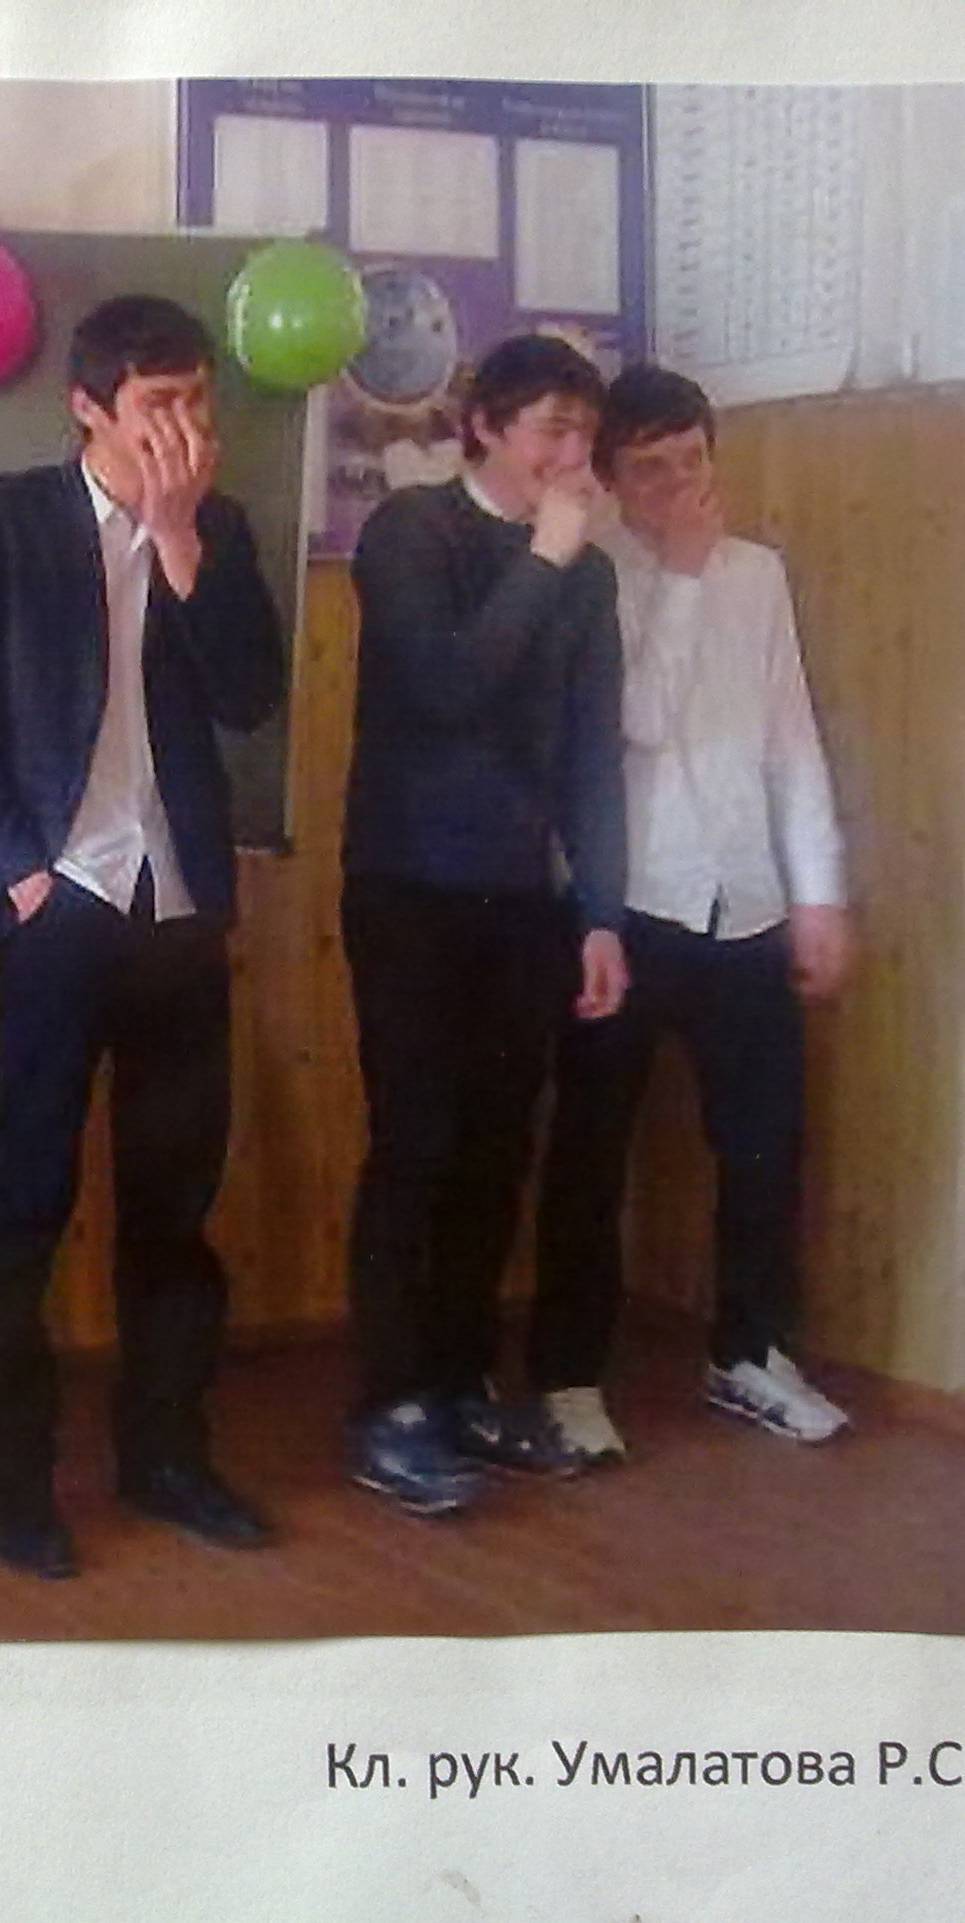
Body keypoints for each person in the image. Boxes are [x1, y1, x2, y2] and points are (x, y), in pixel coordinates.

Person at [0, 295, 286, 1580]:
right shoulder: (2, 518)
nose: (184, 429)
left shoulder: (218, 527)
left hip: (178, 903)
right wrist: (22, 878)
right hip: (58, 902)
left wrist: (180, 536)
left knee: (176, 1204)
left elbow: (252, 697)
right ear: (88, 409)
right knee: (24, 1196)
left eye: (199, 403)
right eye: (157, 407)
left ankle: (167, 1455)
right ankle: (6, 1476)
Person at [530, 363, 854, 1459]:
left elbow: (790, 741)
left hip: (744, 898)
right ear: (612, 479)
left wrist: (817, 895)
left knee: (764, 1142)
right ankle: (570, 1376)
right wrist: (677, 574)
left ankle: (752, 1351)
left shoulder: (758, 574)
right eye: (651, 470)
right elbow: (632, 722)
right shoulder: (590, 573)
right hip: (623, 904)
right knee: (591, 1151)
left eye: (692, 462)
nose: (678, 486)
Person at [339, 331, 628, 1517]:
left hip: (526, 897)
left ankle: (461, 1386)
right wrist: (547, 556)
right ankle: (390, 1405)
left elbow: (592, 753)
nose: (573, 456)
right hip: (409, 886)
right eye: (552, 430)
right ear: (485, 430)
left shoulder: (587, 575)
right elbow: (449, 689)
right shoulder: (411, 531)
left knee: (499, 1149)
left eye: (585, 435)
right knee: (417, 1142)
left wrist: (601, 913)